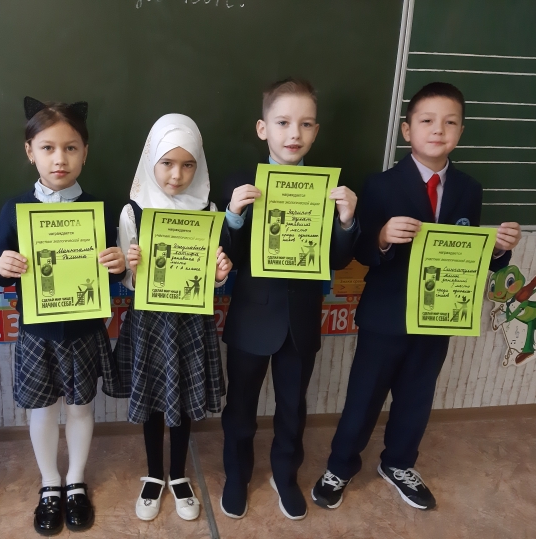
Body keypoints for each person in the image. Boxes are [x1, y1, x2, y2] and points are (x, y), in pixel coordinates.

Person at [311, 82, 521, 511]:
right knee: (364, 397)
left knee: (417, 397)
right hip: (385, 316)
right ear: (407, 130)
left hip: (438, 316)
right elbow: (362, 252)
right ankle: (340, 465)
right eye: (427, 121)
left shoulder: (469, 189)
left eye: (450, 122)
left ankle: (399, 463)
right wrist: (383, 237)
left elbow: (469, 256)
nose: (438, 130)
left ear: (460, 132)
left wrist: (499, 249)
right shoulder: (380, 185)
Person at [219, 78, 359, 520]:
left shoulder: (330, 188)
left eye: (305, 124)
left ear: (316, 131)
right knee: (240, 407)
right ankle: (236, 475)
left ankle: (285, 474)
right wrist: (233, 216)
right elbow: (227, 257)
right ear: (263, 128)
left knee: (293, 408)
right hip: (251, 319)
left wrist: (347, 221)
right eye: (283, 123)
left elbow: (337, 260)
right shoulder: (240, 182)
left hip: (300, 321)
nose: (294, 133)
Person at [0, 97, 126, 535]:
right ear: (30, 151)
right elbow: (1, 270)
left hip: (84, 327)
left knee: (81, 407)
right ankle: (50, 483)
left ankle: (76, 481)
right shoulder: (14, 209)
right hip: (38, 330)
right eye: (47, 148)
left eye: (70, 148)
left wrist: (117, 264)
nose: (59, 159)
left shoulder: (102, 208)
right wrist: (3, 266)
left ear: (85, 152)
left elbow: (115, 271)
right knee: (43, 410)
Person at [113, 114, 232, 522]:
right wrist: (130, 268)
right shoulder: (133, 211)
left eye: (187, 164)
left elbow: (210, 277)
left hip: (190, 322)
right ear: (152, 160)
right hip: (148, 322)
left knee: (181, 395)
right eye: (167, 163)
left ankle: (178, 475)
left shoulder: (209, 209)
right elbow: (127, 281)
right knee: (151, 399)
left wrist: (219, 274)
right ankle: (153, 474)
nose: (177, 175)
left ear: (199, 165)